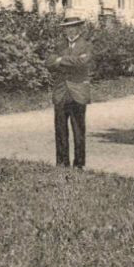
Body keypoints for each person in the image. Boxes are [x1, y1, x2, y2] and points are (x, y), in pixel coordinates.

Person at [47, 17, 93, 168]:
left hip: (78, 93)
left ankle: (78, 164)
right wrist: (68, 60)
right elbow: (48, 62)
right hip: (61, 92)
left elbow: (82, 63)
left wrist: (61, 60)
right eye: (67, 28)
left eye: (73, 27)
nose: (70, 30)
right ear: (64, 30)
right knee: (60, 129)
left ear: (79, 29)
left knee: (78, 130)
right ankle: (62, 163)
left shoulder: (87, 45)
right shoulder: (59, 45)